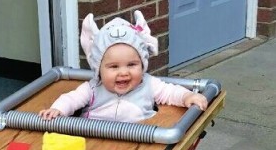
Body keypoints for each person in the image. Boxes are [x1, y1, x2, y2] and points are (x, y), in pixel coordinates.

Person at [39, 10, 207, 122]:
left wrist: (187, 97)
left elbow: (171, 92)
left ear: (142, 64)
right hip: (94, 141)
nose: (123, 72)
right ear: (99, 69)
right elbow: (71, 99)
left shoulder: (148, 84)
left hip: (138, 143)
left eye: (132, 64)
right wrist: (58, 110)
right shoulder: (92, 88)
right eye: (114, 67)